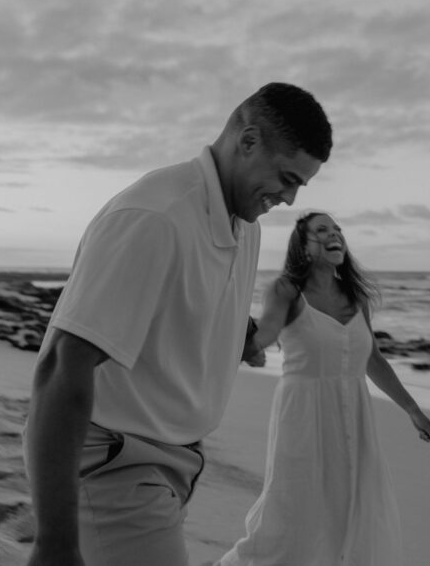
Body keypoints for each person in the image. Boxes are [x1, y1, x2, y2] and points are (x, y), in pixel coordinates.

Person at [24, 83, 333, 566]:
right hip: (117, 466)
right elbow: (62, 367)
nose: (290, 198)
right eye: (286, 177)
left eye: (300, 186)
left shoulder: (243, 224)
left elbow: (183, 306)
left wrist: (241, 334)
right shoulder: (156, 217)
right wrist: (53, 542)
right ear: (247, 140)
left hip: (175, 464)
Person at [217, 211, 430, 566]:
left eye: (337, 229)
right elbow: (264, 338)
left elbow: (374, 360)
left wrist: (412, 409)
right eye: (322, 230)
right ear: (303, 246)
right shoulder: (286, 290)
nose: (334, 234)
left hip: (355, 414)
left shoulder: (355, 297)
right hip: (302, 413)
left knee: (353, 505)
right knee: (294, 508)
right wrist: (238, 337)